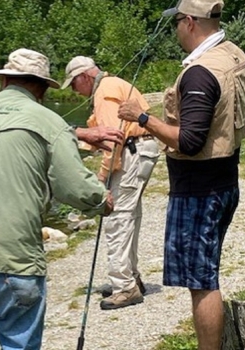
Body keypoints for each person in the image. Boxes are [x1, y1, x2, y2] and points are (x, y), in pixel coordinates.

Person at [0, 48, 113, 350]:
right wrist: (101, 201)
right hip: (16, 262)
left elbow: (18, 127)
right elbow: (73, 185)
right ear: (44, 87)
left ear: (5, 80)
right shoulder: (51, 123)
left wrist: (77, 133)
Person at [117, 0, 245, 348]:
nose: (175, 29)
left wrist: (142, 118)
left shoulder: (199, 73)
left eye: (176, 22)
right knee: (204, 275)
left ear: (189, 22)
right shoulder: (232, 53)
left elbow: (190, 141)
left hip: (199, 191)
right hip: (223, 181)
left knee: (201, 281)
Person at [61, 56, 160, 310]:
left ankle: (125, 287)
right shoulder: (114, 83)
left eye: (73, 84)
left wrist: (102, 180)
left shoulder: (103, 93)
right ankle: (130, 277)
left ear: (83, 76)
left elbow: (114, 139)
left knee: (117, 218)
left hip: (131, 153)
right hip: (143, 149)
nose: (74, 90)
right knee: (130, 216)